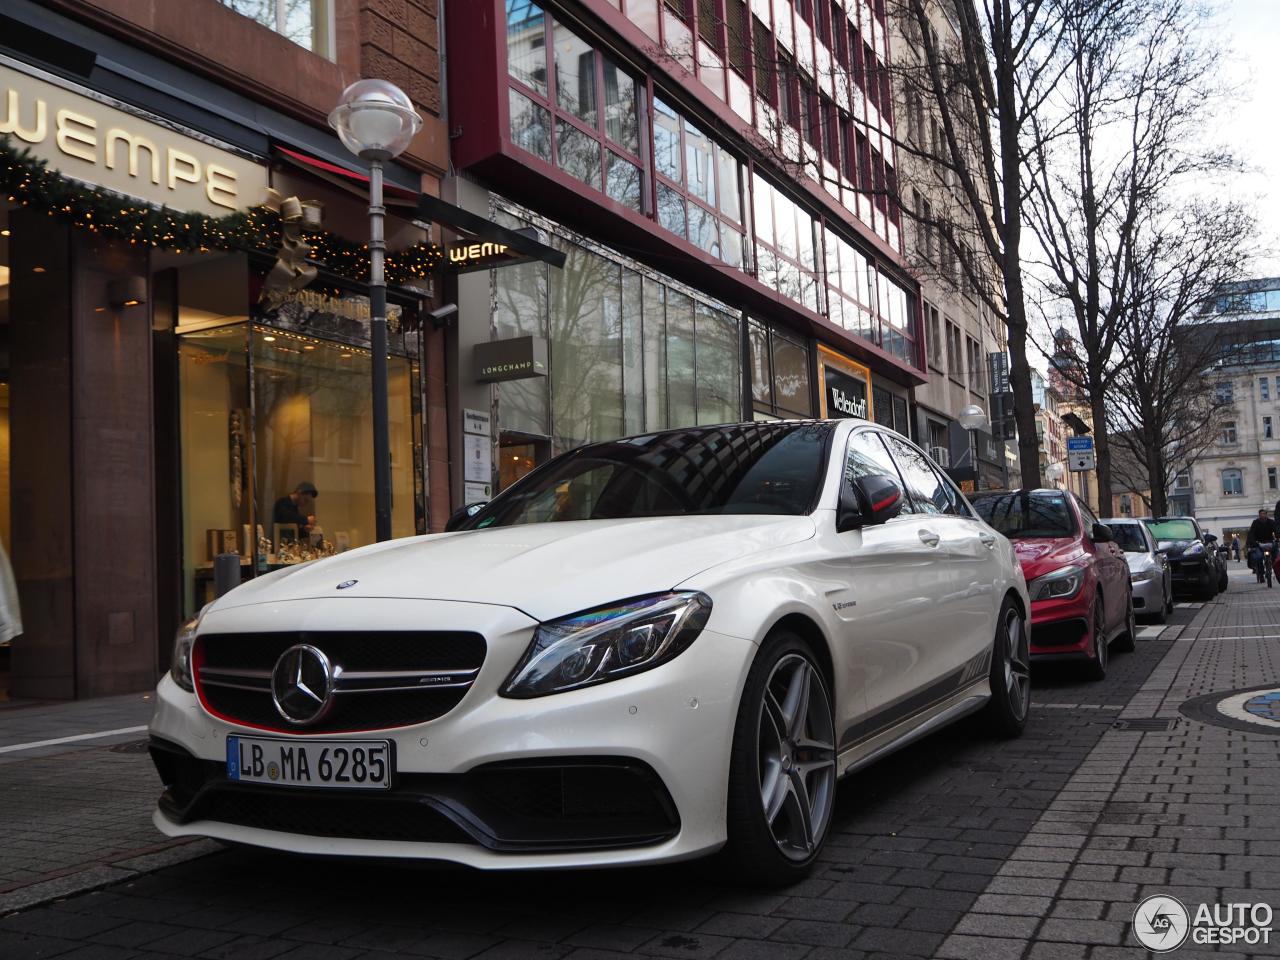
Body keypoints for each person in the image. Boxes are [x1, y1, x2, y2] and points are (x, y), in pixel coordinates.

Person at [1246, 508, 1277, 578]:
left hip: (1269, 542)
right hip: (1258, 543)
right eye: (1261, 514)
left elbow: (1276, 530)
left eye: (1264, 514)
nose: (1262, 515)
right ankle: (1261, 573)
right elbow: (1251, 533)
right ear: (1259, 515)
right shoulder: (1255, 522)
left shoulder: (1271, 522)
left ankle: (1275, 568)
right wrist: (1252, 542)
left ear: (1266, 515)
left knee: (1276, 554)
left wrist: (1277, 538)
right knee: (1259, 557)